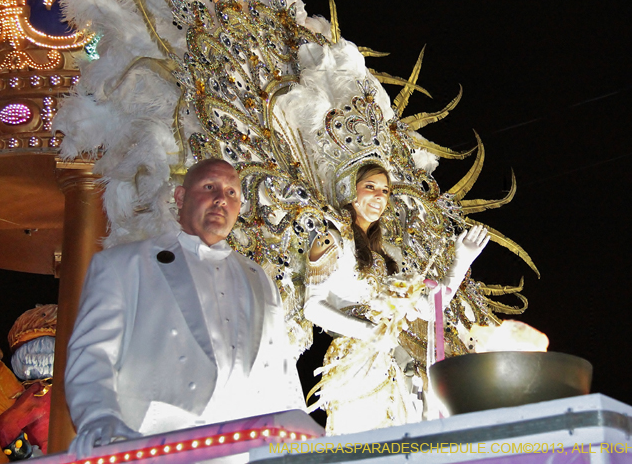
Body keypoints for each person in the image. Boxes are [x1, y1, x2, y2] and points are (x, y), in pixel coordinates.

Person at [65, 158, 305, 456]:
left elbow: (279, 366)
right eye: (209, 187)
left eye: (231, 193)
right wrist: (98, 418)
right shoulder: (123, 266)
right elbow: (93, 354)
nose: (221, 199)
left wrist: (300, 435)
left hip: (241, 451)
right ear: (180, 197)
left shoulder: (260, 280)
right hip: (151, 447)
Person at [303, 164, 490, 434]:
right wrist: (370, 331)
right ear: (349, 188)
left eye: (385, 190)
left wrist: (460, 262)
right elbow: (313, 308)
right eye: (370, 187)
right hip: (352, 363)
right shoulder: (331, 239)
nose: (379, 196)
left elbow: (428, 310)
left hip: (387, 366)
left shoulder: (385, 259)